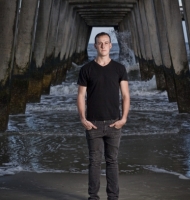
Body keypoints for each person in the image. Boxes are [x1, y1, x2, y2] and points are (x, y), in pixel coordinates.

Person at [77, 32, 130, 200]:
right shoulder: (86, 69)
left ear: (110, 45)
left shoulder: (119, 68)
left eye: (106, 43)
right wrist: (83, 119)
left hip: (114, 123)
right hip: (93, 124)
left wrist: (124, 119)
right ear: (95, 46)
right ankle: (93, 197)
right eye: (100, 43)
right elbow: (80, 96)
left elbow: (126, 95)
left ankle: (113, 197)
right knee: (94, 162)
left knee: (112, 161)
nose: (103, 46)